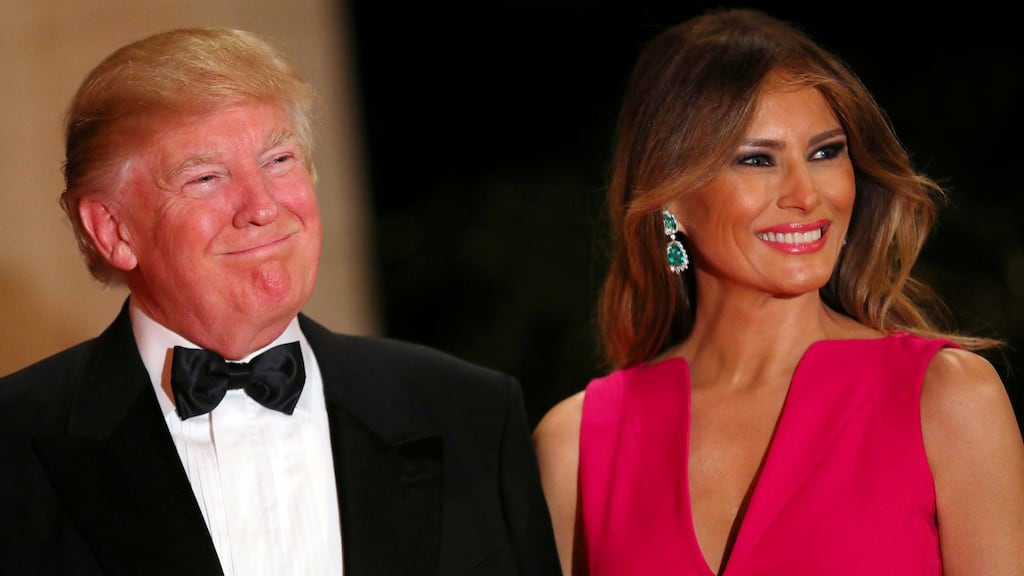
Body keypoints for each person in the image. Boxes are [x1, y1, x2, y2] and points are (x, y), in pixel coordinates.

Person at [0, 27, 559, 576]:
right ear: (113, 229)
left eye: (279, 161)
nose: (263, 207)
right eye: (205, 178)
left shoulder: (469, 413)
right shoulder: (16, 445)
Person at [533, 8, 1024, 576]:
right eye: (757, 159)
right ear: (669, 197)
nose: (806, 194)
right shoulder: (575, 445)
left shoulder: (948, 400)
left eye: (825, 152)